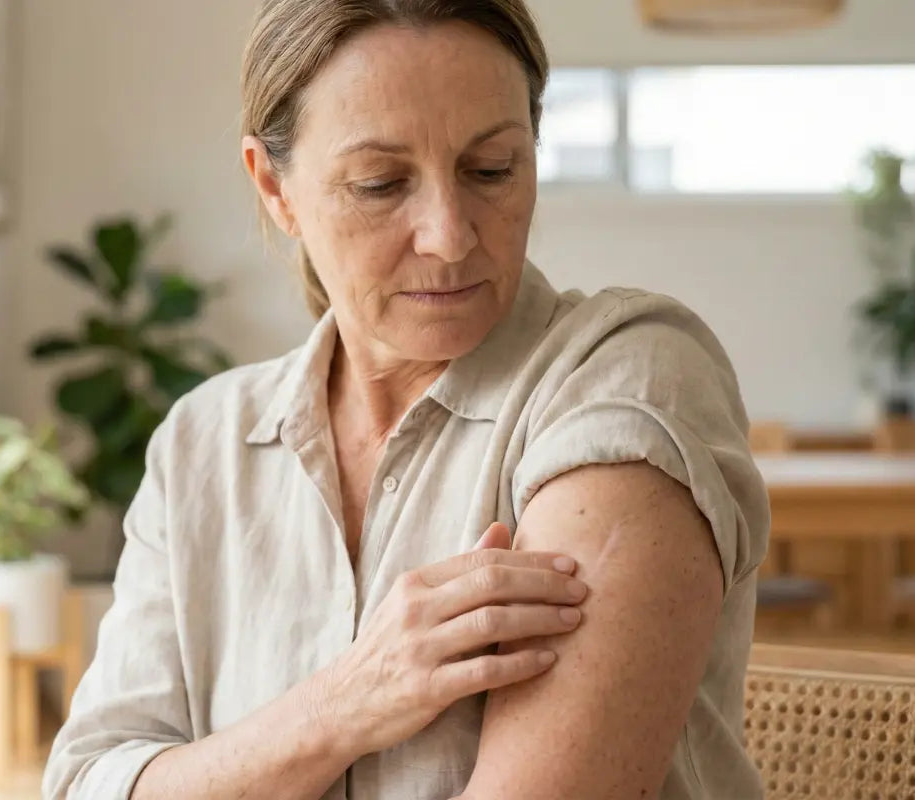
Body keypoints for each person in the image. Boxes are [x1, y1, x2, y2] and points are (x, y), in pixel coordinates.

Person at [43, 1, 769, 798]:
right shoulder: (201, 445)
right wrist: (345, 703)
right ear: (273, 188)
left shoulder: (626, 378)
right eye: (381, 184)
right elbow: (89, 780)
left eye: (491, 168)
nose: (450, 235)